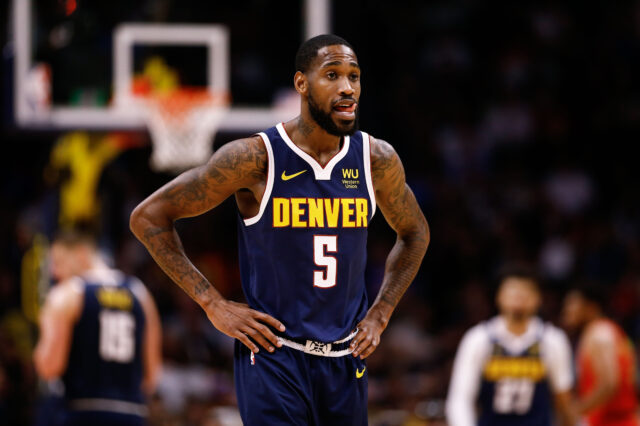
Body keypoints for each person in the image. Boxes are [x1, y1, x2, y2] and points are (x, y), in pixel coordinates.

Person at [130, 34, 429, 424]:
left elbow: (415, 233)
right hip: (275, 357)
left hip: (345, 361)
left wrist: (381, 312)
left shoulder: (376, 160)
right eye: (333, 75)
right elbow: (148, 217)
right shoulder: (255, 158)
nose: (347, 88)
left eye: (354, 77)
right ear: (301, 83)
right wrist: (212, 303)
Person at [34, 230, 162, 426]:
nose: (54, 271)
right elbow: (152, 376)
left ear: (81, 254)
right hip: (131, 413)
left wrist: (44, 325)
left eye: (58, 261)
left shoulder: (67, 295)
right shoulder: (140, 293)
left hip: (82, 412)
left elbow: (50, 367)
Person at [446, 266, 574, 426]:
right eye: (512, 289)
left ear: (539, 298)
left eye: (526, 290)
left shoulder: (553, 339)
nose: (519, 295)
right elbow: (460, 399)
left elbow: (564, 401)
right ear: (498, 296)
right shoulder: (478, 338)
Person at [562, 284, 639, 426]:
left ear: (591, 307)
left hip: (611, 420)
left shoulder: (598, 333)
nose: (568, 309)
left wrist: (577, 409)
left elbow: (609, 383)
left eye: (573, 303)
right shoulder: (612, 330)